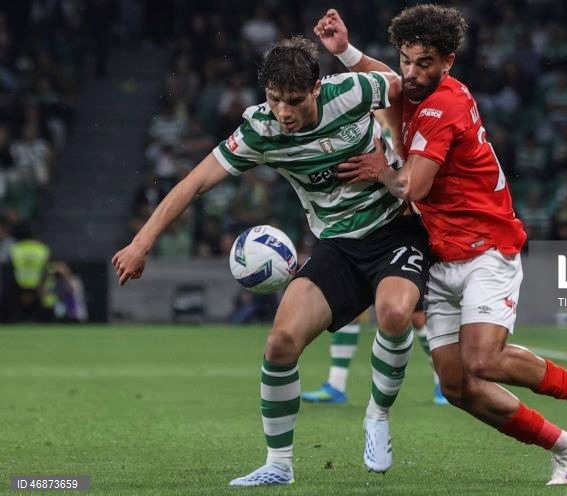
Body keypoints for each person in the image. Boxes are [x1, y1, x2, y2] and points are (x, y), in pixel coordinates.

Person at [315, 6, 567, 486]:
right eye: (406, 60)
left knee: (483, 359)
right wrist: (345, 51)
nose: (411, 72)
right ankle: (565, 447)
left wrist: (380, 170)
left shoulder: (445, 106)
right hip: (441, 253)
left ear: (448, 62)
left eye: (424, 63)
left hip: (486, 247)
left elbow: (413, 186)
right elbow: (388, 80)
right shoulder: (414, 90)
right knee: (457, 385)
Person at [112, 36, 431, 486]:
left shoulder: (352, 91)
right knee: (280, 342)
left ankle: (377, 416)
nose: (284, 112)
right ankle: (278, 465)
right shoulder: (260, 130)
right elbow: (195, 182)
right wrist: (141, 242)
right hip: (337, 244)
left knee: (395, 314)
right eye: (275, 99)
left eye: (295, 101)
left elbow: (399, 88)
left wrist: (395, 152)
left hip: (396, 228)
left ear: (316, 88)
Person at [301, 300, 448, 405]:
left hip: (391, 266)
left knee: (416, 315)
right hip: (359, 264)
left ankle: (442, 382)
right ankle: (336, 385)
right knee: (347, 310)